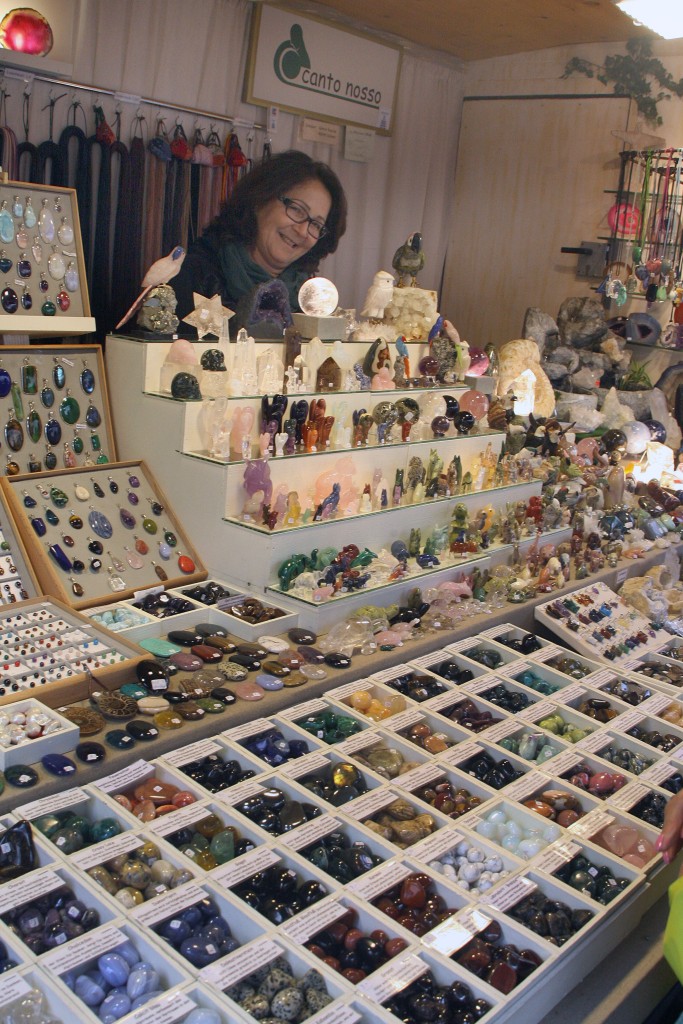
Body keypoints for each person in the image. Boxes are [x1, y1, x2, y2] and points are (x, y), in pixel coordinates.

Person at [174, 149, 347, 332]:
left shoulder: (309, 303)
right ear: (260, 199)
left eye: (316, 225)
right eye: (297, 210)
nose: (303, 231)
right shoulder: (194, 276)